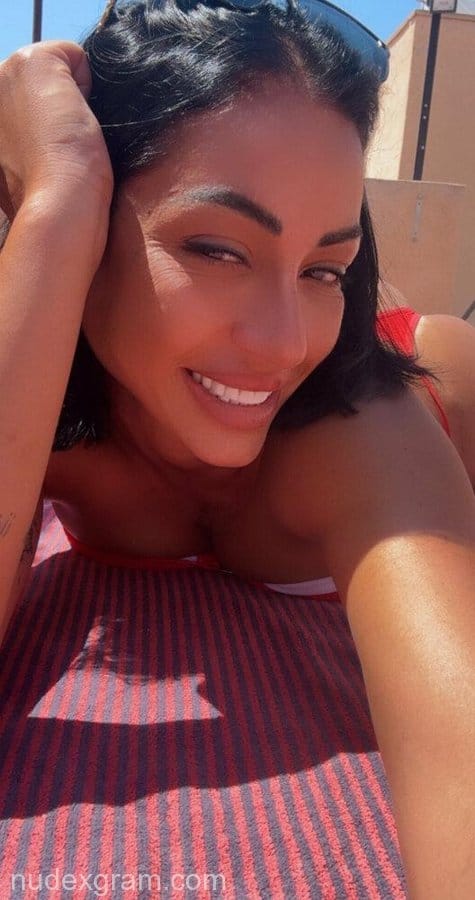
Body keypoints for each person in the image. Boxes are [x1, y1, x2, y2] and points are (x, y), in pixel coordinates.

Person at [0, 1, 474, 896]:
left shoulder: (356, 431)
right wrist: (55, 201)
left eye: (325, 269)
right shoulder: (46, 426)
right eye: (217, 249)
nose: (284, 343)